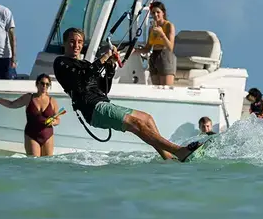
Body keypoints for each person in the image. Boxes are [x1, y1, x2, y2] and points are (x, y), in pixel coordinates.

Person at [53, 27, 201, 162]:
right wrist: (103, 58)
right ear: (65, 43)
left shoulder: (85, 64)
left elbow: (103, 89)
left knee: (147, 118)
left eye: (79, 42)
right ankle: (178, 150)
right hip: (92, 108)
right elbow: (85, 78)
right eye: (72, 41)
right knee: (136, 124)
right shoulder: (61, 63)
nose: (76, 45)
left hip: (102, 103)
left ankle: (167, 157)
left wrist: (110, 66)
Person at [0, 73, 61, 156]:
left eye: (47, 84)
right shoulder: (28, 97)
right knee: (34, 162)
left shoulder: (52, 101)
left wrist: (53, 122)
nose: (44, 86)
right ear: (37, 84)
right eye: (42, 83)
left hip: (47, 135)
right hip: (32, 135)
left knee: (48, 163)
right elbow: (11, 104)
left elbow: (58, 120)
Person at [137, 1, 177, 86]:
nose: (155, 15)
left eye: (158, 12)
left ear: (163, 13)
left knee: (165, 89)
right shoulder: (152, 28)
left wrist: (162, 34)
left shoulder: (169, 26)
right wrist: (134, 51)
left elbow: (170, 47)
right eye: (153, 13)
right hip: (154, 56)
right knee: (156, 89)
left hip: (165, 56)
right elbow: (147, 48)